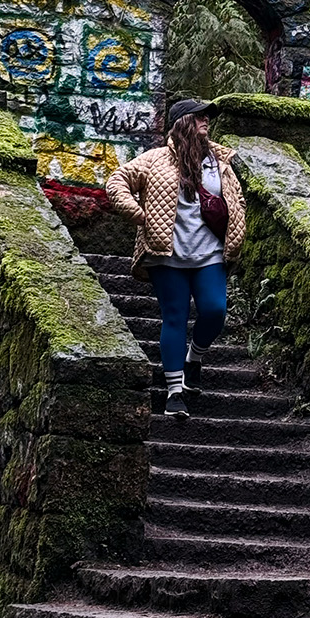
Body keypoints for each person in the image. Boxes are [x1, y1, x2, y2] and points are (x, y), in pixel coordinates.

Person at [106, 97, 247, 420]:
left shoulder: (220, 160)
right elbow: (117, 181)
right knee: (175, 317)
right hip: (166, 254)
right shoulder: (155, 160)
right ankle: (174, 392)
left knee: (215, 310)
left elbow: (235, 198)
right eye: (200, 117)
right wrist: (137, 213)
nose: (206, 122)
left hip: (210, 252)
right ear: (184, 122)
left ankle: (193, 357)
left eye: (207, 118)